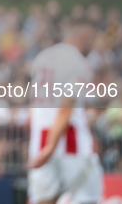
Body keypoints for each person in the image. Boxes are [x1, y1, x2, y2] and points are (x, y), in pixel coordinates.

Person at [28, 17, 103, 204]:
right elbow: (65, 108)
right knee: (89, 198)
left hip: (40, 140)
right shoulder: (78, 62)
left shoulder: (41, 58)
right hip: (70, 142)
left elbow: (35, 106)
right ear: (85, 36)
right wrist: (52, 146)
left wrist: (45, 147)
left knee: (44, 199)